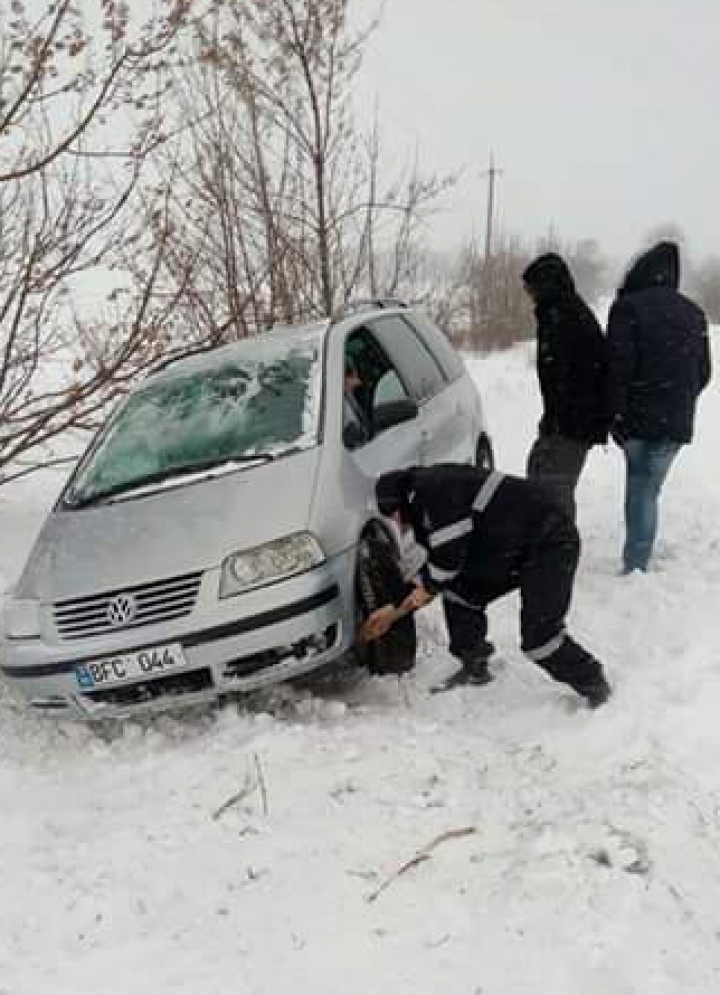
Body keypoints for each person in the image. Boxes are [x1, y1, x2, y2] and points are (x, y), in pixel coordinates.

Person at [360, 464, 612, 708]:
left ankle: (595, 685)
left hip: (550, 542)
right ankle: (474, 666)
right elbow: (437, 567)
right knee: (459, 591)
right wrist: (394, 607)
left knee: (540, 639)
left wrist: (399, 610)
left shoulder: (435, 495)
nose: (398, 524)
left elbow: (446, 561)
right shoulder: (424, 489)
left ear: (400, 503)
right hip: (511, 544)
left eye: (393, 515)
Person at [607, 241, 711, 573]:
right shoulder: (694, 313)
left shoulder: (628, 308)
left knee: (640, 488)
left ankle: (636, 563)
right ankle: (638, 555)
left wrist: (616, 413)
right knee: (648, 488)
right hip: (675, 420)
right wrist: (681, 397)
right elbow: (704, 373)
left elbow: (618, 367)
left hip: (636, 419)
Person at [522, 253, 608, 521]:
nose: (530, 296)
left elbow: (567, 378)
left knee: (554, 490)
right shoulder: (560, 312)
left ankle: (559, 548)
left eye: (532, 289)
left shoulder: (564, 318)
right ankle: (547, 542)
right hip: (566, 419)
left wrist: (559, 423)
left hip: (573, 422)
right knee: (539, 474)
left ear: (546, 285)